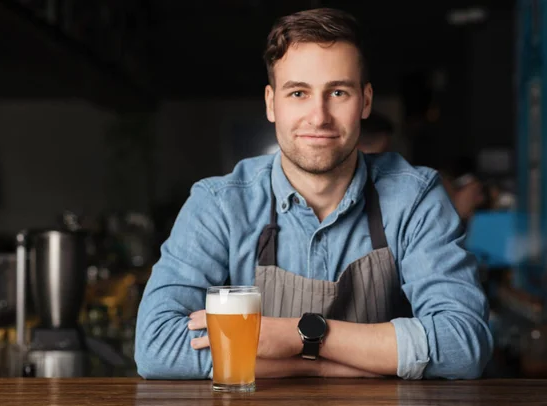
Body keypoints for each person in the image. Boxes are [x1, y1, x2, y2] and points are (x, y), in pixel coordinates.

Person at [135, 8, 493, 380]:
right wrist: (344, 364)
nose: (319, 116)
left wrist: (296, 336)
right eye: (298, 93)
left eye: (338, 92)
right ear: (272, 103)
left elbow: (462, 345)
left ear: (365, 101)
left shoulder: (415, 197)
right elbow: (156, 346)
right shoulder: (220, 204)